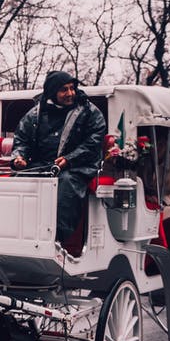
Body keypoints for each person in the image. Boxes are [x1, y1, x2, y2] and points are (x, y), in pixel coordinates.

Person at [11, 71, 107, 245]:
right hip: (42, 166)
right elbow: (21, 139)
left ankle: (56, 239)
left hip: (78, 168)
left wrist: (70, 159)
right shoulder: (35, 114)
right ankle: (16, 232)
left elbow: (94, 142)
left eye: (72, 88)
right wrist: (19, 157)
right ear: (52, 92)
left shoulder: (90, 112)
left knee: (67, 183)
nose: (70, 93)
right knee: (18, 180)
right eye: (64, 90)